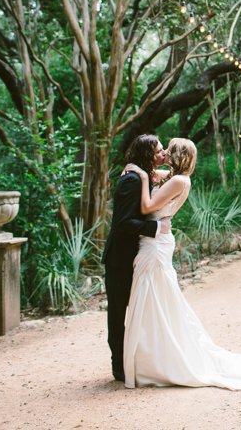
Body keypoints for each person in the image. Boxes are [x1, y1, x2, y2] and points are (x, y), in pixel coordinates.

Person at [121, 138, 241, 390]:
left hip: (156, 245)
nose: (165, 152)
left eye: (169, 149)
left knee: (157, 296)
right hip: (155, 241)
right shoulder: (173, 176)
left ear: (178, 156)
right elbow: (151, 172)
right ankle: (150, 356)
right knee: (155, 297)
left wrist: (140, 174)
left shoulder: (179, 181)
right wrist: (141, 169)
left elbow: (147, 207)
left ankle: (159, 360)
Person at [101, 134, 171, 383]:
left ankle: (139, 361)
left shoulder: (143, 176)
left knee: (144, 310)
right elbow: (123, 222)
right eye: (160, 150)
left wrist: (150, 172)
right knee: (118, 312)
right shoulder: (130, 180)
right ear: (147, 154)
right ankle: (119, 368)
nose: (163, 154)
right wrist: (156, 229)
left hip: (141, 256)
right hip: (121, 258)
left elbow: (176, 175)